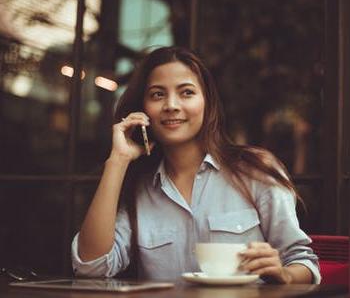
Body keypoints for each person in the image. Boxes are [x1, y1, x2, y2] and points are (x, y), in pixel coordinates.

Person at [71, 46, 320, 284]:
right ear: (143, 109)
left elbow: (303, 262)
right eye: (158, 94)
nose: (171, 105)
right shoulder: (138, 189)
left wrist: (284, 274)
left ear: (206, 102)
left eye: (186, 92)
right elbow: (90, 267)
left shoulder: (255, 170)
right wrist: (117, 161)